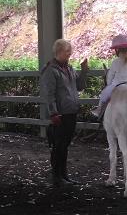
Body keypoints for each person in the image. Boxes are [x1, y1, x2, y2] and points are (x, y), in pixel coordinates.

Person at [41, 39, 88, 186]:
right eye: (67, 51)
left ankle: (64, 175)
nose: (70, 53)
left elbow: (79, 87)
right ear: (59, 52)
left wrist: (84, 71)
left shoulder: (70, 69)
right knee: (58, 145)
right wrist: (53, 113)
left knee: (65, 145)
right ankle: (57, 176)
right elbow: (49, 94)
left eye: (70, 51)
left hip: (71, 112)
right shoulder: (51, 70)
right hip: (60, 114)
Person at [92, 34, 127, 118]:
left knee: (104, 95)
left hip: (117, 85)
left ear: (117, 50)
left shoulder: (115, 62)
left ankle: (99, 111)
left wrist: (109, 85)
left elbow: (109, 77)